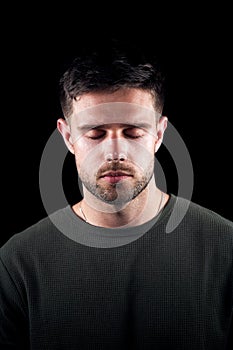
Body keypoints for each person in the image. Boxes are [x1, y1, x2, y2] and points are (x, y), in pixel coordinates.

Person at [1, 39, 232, 350]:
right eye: (95, 133)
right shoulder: (19, 261)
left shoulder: (225, 247)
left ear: (159, 134)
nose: (115, 152)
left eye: (133, 132)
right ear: (68, 137)